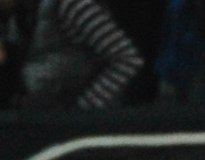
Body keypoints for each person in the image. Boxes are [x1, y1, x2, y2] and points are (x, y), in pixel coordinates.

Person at [0, 0, 142, 110]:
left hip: (85, 129)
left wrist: (83, 109)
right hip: (42, 119)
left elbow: (127, 59)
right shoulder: (22, 15)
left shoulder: (73, 5)